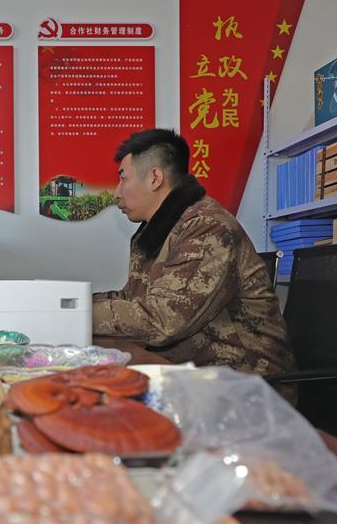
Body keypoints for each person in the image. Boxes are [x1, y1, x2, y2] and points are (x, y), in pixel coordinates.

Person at [93, 128, 296, 378]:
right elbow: (133, 299)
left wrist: (80, 315)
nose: (117, 192)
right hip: (193, 372)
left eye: (123, 179)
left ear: (155, 178)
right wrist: (72, 304)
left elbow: (164, 318)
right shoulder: (159, 230)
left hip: (246, 381)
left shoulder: (208, 227)